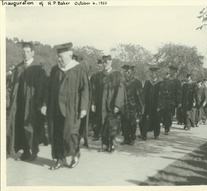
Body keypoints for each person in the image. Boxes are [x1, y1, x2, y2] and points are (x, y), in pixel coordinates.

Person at [45, 42, 89, 170]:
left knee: (71, 133)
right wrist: (45, 105)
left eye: (62, 57)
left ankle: (75, 154)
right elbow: (49, 89)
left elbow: (85, 89)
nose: (59, 60)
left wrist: (84, 107)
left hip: (72, 107)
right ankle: (60, 158)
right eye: (58, 57)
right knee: (57, 133)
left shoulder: (79, 69)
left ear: (70, 56)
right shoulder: (55, 69)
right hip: (56, 108)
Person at [7, 42, 47, 161]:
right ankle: (25, 151)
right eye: (23, 52)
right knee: (20, 125)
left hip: (33, 102)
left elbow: (44, 88)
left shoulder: (39, 68)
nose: (25, 54)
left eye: (28, 52)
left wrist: (42, 103)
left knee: (31, 126)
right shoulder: (18, 68)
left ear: (33, 52)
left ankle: (34, 150)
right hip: (19, 102)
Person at [91, 55, 126, 152]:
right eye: (103, 62)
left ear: (111, 62)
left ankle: (112, 144)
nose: (105, 64)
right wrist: (93, 103)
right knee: (103, 124)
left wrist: (117, 105)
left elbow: (120, 90)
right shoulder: (99, 76)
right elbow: (94, 91)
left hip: (112, 105)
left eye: (107, 62)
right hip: (101, 105)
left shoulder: (117, 75)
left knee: (112, 124)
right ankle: (105, 145)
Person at [121, 64, 143, 145]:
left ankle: (132, 137)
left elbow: (140, 96)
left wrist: (140, 107)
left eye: (128, 71)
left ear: (132, 72)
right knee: (124, 122)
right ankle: (126, 138)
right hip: (124, 105)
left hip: (133, 105)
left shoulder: (137, 82)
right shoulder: (122, 82)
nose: (126, 73)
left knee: (132, 122)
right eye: (125, 71)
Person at [157, 65, 182, 135]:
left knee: (169, 115)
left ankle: (167, 128)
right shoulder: (165, 80)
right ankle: (165, 125)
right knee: (164, 114)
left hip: (172, 101)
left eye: (172, 71)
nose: (171, 72)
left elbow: (179, 92)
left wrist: (179, 102)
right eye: (170, 71)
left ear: (175, 72)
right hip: (164, 100)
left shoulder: (177, 81)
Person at [139, 67, 161, 140]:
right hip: (148, 104)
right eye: (151, 73)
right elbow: (144, 93)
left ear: (157, 74)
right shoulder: (148, 82)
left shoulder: (160, 83)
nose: (152, 74)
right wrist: (143, 103)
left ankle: (156, 133)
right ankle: (143, 134)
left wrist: (159, 105)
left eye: (154, 73)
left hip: (156, 105)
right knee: (146, 118)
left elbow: (161, 95)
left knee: (156, 119)